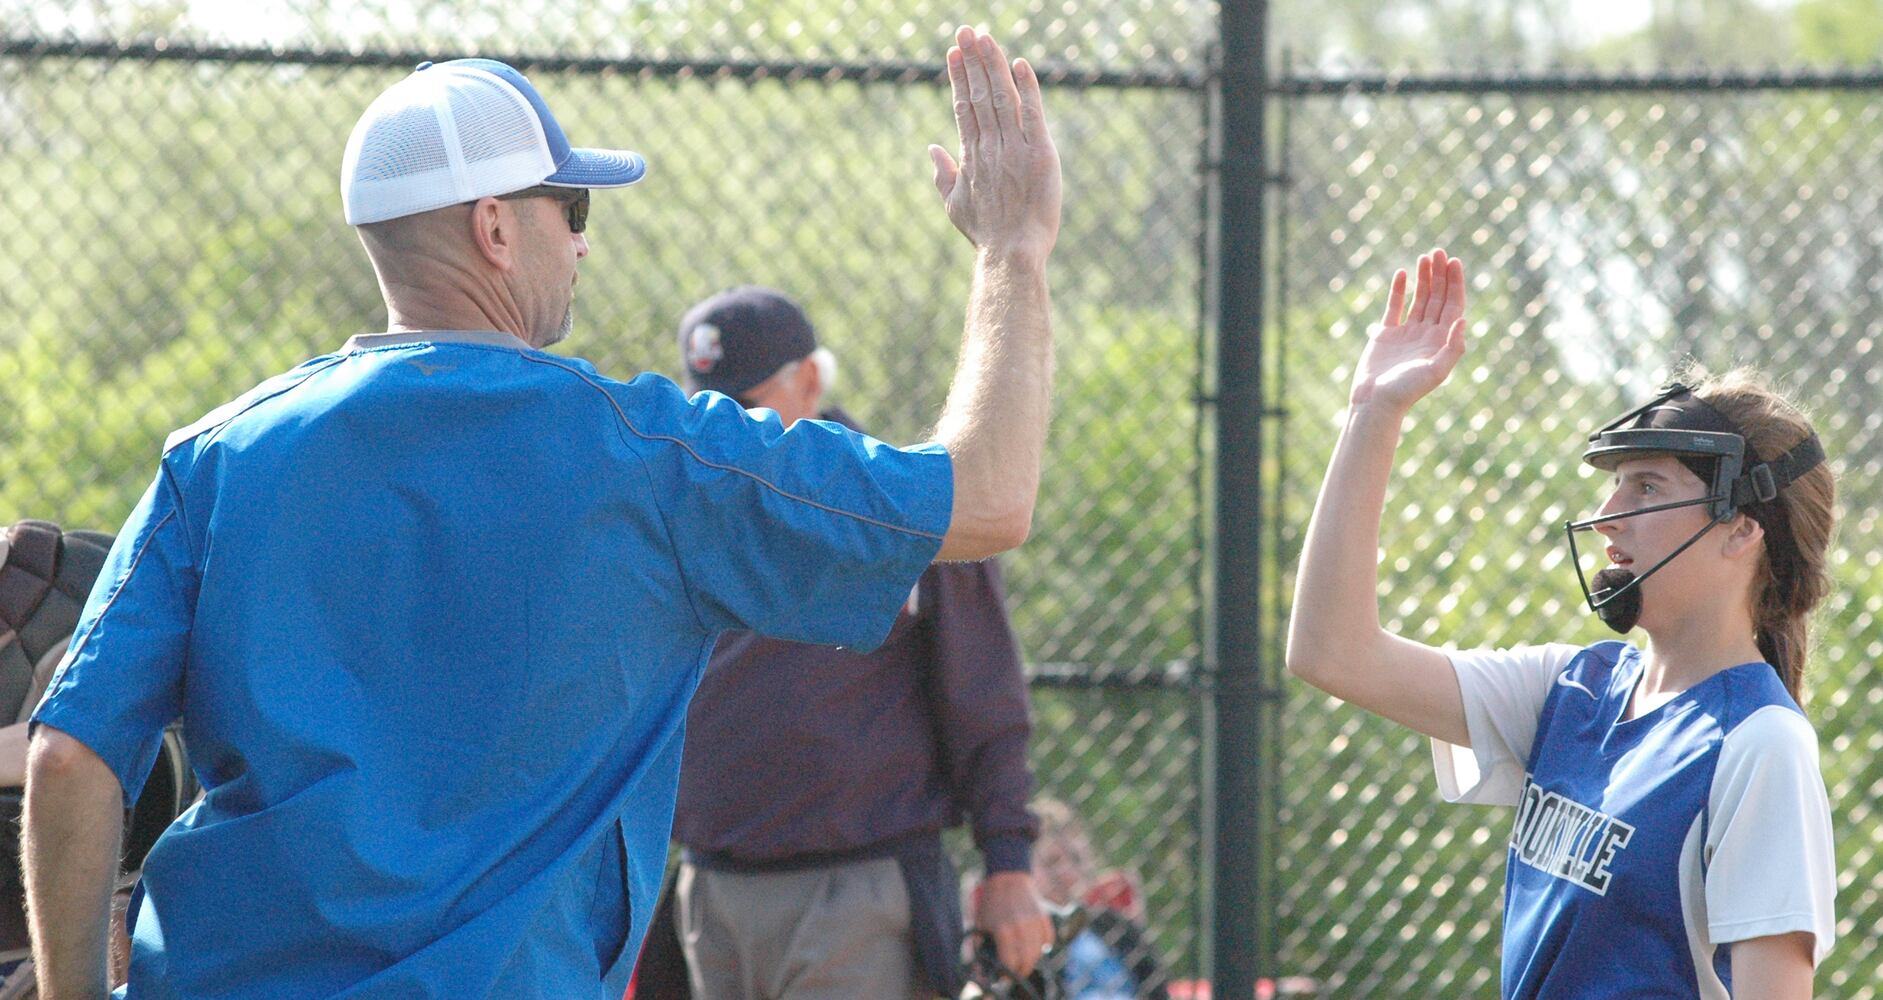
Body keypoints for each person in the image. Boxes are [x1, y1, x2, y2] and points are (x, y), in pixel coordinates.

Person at [25, 24, 1061, 1000]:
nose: (581, 242)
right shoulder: (649, 456)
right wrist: (1009, 251)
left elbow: (69, 756)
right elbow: (989, 496)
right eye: (572, 210)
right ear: (493, 229)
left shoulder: (216, 459)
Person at [1286, 249, 1837, 998]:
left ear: (1741, 530)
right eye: (1614, 486)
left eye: (1644, 486)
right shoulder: (1572, 689)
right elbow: (1331, 652)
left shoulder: (1757, 742)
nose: (1607, 516)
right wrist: (1373, 412)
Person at [661, 286, 1051, 999]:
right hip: (710, 885)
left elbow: (984, 696)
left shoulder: (896, 498)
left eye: (747, 403)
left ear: (810, 379)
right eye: (709, 407)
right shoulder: (693, 508)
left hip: (852, 890)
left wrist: (1008, 865)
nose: (728, 426)